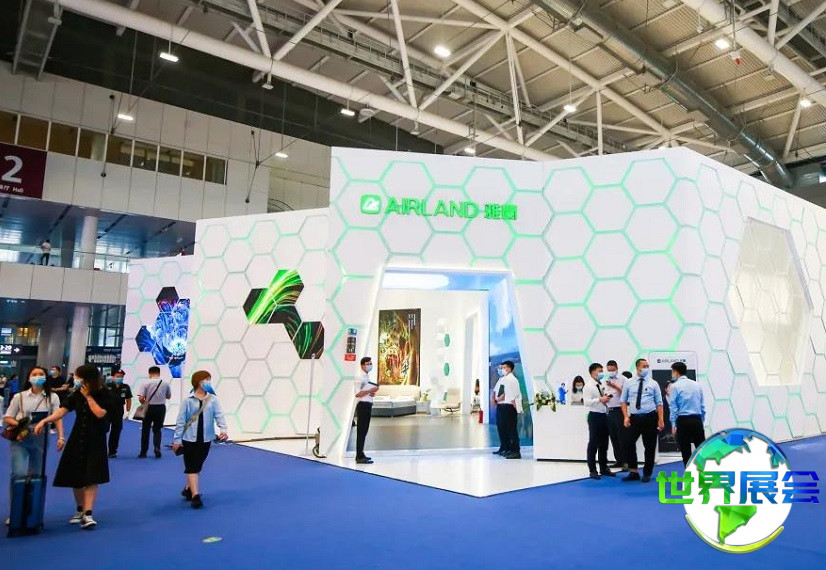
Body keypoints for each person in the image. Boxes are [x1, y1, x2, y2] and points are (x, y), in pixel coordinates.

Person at [34, 364, 112, 530]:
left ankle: (88, 513)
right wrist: (45, 420)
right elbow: (62, 411)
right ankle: (80, 509)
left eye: (78, 377)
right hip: (78, 437)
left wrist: (88, 397)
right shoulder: (76, 393)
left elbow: (100, 413)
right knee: (76, 477)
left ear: (87, 378)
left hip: (96, 439)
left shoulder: (104, 393)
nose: (75, 380)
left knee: (92, 477)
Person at [4, 367, 65, 521]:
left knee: (36, 474)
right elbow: (8, 417)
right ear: (29, 377)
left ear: (46, 377)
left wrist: (61, 437)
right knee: (18, 474)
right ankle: (15, 512)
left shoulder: (52, 397)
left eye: (41, 374)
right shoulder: (19, 396)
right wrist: (21, 424)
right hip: (21, 438)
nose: (37, 377)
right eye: (34, 374)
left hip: (41, 438)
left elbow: (57, 417)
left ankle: (31, 511)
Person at [172, 370, 228, 509]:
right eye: (206, 380)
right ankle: (195, 496)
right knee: (191, 466)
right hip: (189, 439)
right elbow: (180, 421)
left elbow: (219, 415)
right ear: (198, 381)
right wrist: (177, 440)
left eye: (209, 379)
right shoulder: (188, 400)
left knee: (197, 465)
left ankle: (188, 489)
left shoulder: (213, 399)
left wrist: (223, 429)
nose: (208, 382)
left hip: (206, 438)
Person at [620, 358, 664, 483]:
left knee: (649, 446)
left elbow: (659, 403)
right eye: (644, 366)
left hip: (650, 417)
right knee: (628, 443)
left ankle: (647, 473)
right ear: (637, 367)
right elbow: (623, 401)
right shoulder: (629, 382)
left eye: (647, 366)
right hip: (634, 418)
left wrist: (661, 419)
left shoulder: (653, 383)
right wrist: (626, 416)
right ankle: (633, 472)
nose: (646, 368)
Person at [668, 362, 706, 466]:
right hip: (697, 419)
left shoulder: (674, 386)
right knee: (701, 449)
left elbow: (673, 407)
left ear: (676, 372)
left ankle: (689, 473)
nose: (672, 374)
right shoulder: (697, 385)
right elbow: (702, 406)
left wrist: (673, 424)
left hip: (683, 420)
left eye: (672, 372)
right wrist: (701, 420)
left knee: (685, 450)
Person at [583, 363, 614, 479]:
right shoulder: (588, 386)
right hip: (595, 416)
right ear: (593, 372)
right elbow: (586, 402)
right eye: (599, 371)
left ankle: (603, 467)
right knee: (593, 443)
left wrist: (605, 398)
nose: (602, 373)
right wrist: (599, 399)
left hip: (604, 415)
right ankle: (592, 470)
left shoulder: (601, 384)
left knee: (604, 443)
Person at [138, 366, 172, 459]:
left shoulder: (145, 383)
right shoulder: (165, 383)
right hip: (161, 408)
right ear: (159, 373)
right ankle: (157, 448)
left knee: (145, 430)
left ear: (149, 373)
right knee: (157, 429)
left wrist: (144, 404)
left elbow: (141, 398)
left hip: (149, 408)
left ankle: (143, 452)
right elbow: (168, 396)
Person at [491, 360, 523, 459]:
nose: (501, 369)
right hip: (501, 406)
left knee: (511, 429)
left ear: (509, 368)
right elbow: (496, 391)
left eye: (503, 367)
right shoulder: (502, 379)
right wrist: (494, 400)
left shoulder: (512, 379)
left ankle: (515, 451)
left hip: (509, 407)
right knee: (502, 428)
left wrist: (515, 407)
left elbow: (511, 394)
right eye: (501, 368)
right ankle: (505, 448)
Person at [354, 356, 378, 464]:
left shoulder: (367, 377)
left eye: (370, 363)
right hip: (362, 405)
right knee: (361, 431)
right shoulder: (359, 377)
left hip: (368, 404)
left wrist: (372, 392)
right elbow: (357, 394)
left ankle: (361, 453)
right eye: (368, 364)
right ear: (362, 365)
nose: (370, 365)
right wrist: (369, 391)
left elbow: (366, 392)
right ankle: (359, 456)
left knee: (364, 431)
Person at [604, 359, 626, 470]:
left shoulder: (623, 379)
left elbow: (626, 394)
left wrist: (615, 387)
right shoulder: (606, 379)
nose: (611, 372)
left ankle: (626, 462)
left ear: (617, 369)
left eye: (612, 370)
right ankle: (619, 460)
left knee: (622, 437)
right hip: (609, 411)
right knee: (613, 437)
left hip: (619, 410)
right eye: (609, 370)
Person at [105, 370, 132, 458]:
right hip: (107, 411)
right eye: (117, 376)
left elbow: (128, 399)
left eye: (121, 376)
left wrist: (128, 411)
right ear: (113, 377)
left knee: (116, 431)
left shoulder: (126, 387)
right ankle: (100, 450)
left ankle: (112, 451)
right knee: (103, 430)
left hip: (118, 411)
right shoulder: (107, 386)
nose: (119, 378)